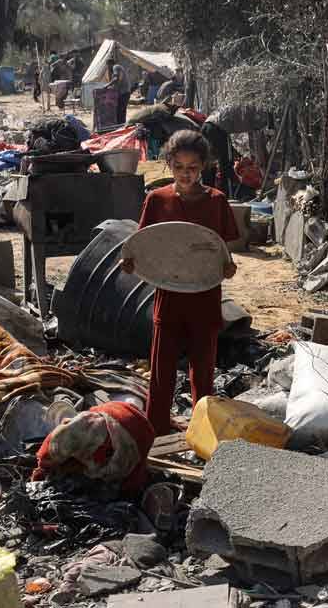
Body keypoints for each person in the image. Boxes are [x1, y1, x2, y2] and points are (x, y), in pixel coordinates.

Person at [121, 130, 240, 436]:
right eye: (179, 168)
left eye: (193, 168)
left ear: (204, 167)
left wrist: (228, 268)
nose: (186, 175)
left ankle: (203, 430)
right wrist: (131, 262)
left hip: (205, 294)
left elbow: (221, 251)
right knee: (161, 369)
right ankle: (155, 428)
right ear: (169, 164)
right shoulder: (157, 200)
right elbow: (144, 246)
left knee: (203, 369)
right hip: (169, 294)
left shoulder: (216, 201)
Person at [106, 58, 131, 125]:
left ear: (110, 64)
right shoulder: (119, 68)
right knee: (122, 111)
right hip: (125, 92)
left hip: (123, 92)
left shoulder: (115, 67)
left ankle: (120, 126)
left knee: (120, 111)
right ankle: (122, 125)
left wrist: (106, 86)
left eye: (108, 66)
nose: (108, 67)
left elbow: (116, 78)